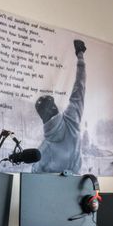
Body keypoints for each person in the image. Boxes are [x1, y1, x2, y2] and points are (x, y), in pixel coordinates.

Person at [32, 39, 88, 174]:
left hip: (56, 188)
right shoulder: (71, 119)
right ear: (55, 108)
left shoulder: (43, 150)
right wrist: (80, 55)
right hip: (80, 184)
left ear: (42, 117)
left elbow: (33, 179)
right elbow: (80, 86)